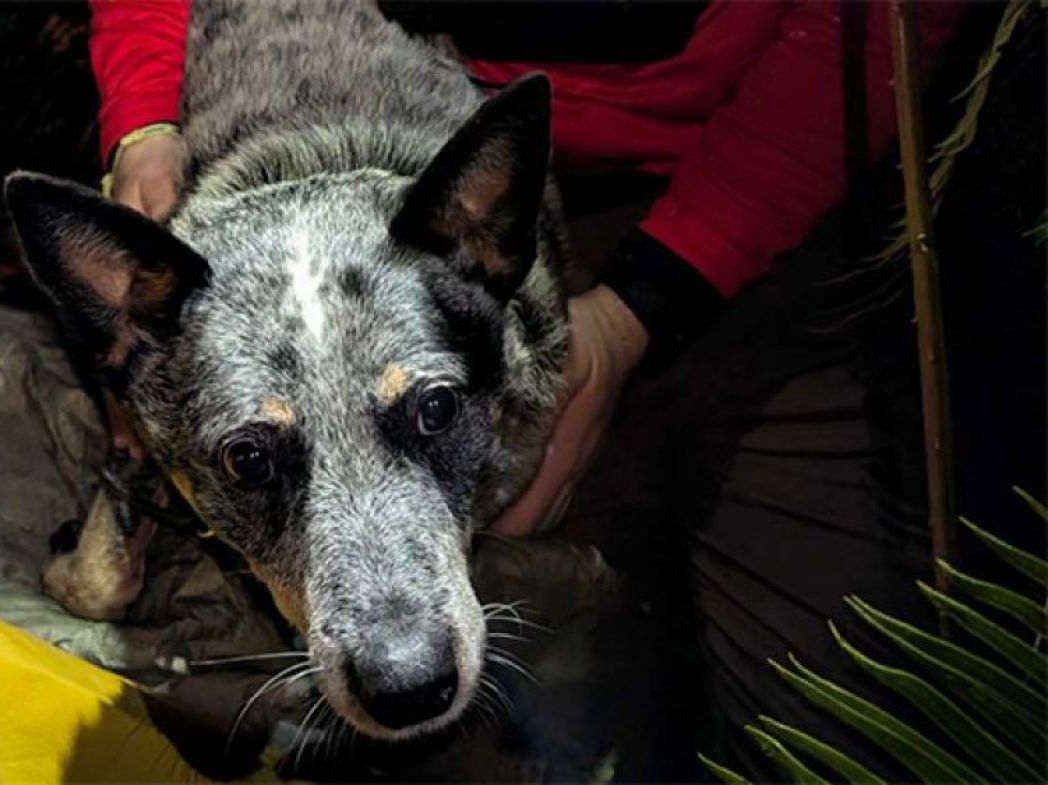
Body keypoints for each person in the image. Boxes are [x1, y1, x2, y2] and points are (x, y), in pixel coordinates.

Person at [88, 2, 965, 777]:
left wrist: (634, 313)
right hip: (437, 151)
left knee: (853, 720)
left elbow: (881, 27)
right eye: (253, 459)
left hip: (742, 169)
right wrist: (142, 119)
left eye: (432, 410)